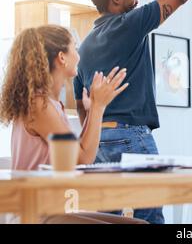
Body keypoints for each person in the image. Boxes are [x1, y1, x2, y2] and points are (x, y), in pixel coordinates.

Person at [73, 0, 192, 224]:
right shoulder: (128, 24)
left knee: (107, 219)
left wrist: (98, 131)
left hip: (99, 142)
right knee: (150, 217)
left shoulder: (85, 45)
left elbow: (81, 104)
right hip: (131, 137)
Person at [0, 25, 146, 224]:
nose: (78, 55)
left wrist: (93, 108)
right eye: (75, 48)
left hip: (54, 209)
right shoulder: (39, 105)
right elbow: (83, 158)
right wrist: (98, 108)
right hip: (36, 214)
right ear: (62, 57)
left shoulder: (50, 104)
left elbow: (78, 153)